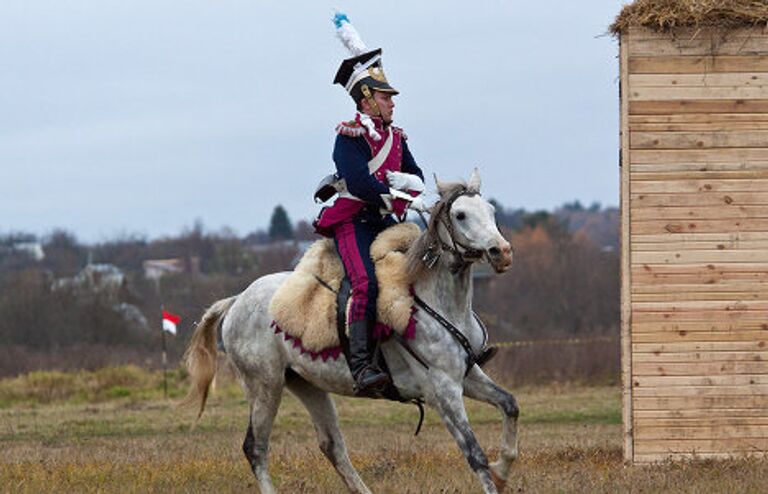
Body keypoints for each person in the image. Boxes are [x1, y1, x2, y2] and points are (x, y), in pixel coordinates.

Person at [314, 13, 425, 394]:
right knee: (365, 284)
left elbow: (416, 175)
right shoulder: (348, 138)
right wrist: (394, 192)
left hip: (387, 222)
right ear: (367, 99)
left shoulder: (397, 138)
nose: (392, 102)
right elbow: (360, 182)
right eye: (385, 96)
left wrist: (410, 186)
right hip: (353, 221)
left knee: (430, 266)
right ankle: (361, 366)